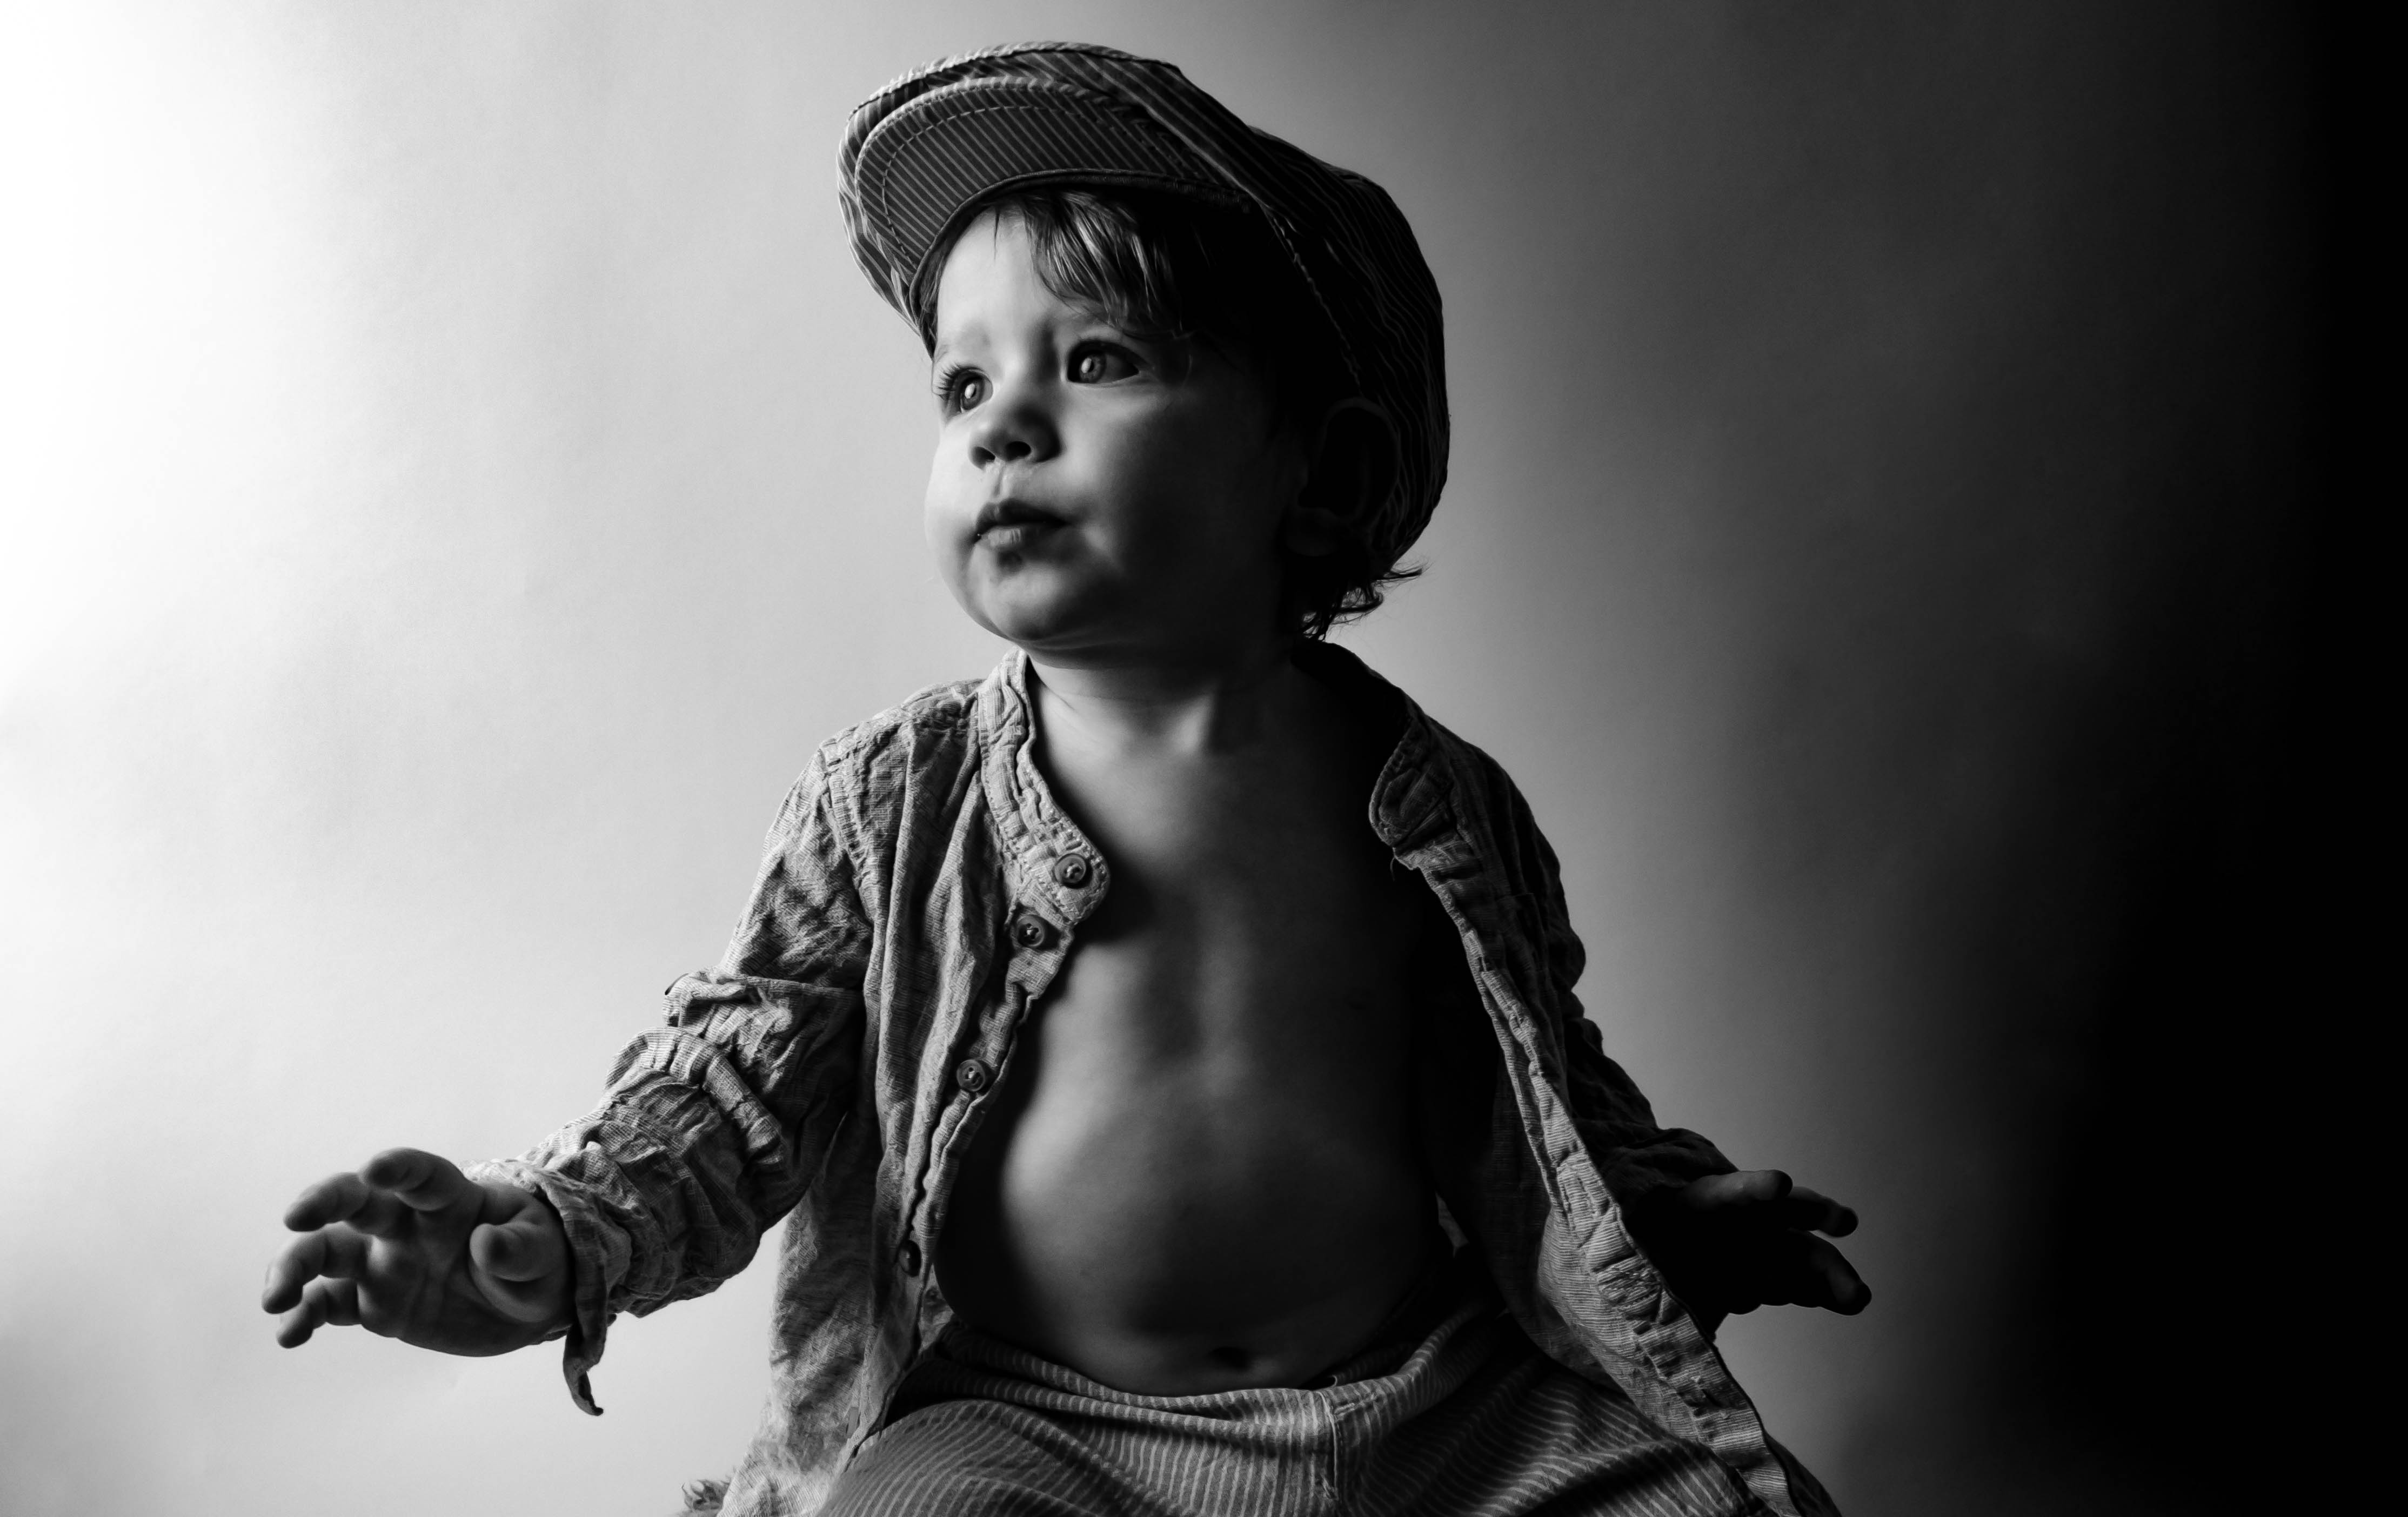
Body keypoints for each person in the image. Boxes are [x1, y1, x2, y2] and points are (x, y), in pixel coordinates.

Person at [261, 42, 1868, 1517]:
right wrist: (548, 1236)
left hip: (1432, 1409)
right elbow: (735, 1088)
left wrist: (1664, 1211)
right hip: (1042, 1426)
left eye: (1097, 359)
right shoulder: (893, 805)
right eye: (964, 386)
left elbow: (1545, 1083)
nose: (1005, 426)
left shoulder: (1435, 807)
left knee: (1720, 1505)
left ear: (1325, 476)